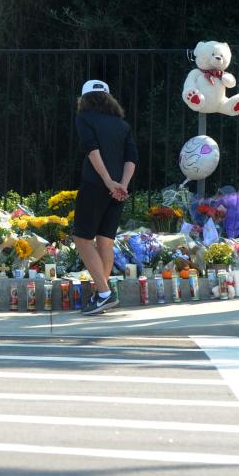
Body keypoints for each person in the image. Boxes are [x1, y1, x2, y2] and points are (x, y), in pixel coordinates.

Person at [72, 79, 138, 315]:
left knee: (82, 239)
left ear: (85, 99)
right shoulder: (122, 125)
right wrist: (122, 185)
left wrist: (108, 181)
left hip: (95, 185)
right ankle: (102, 294)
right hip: (118, 189)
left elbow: (92, 150)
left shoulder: (84, 119)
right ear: (109, 99)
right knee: (105, 241)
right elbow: (132, 158)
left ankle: (103, 293)